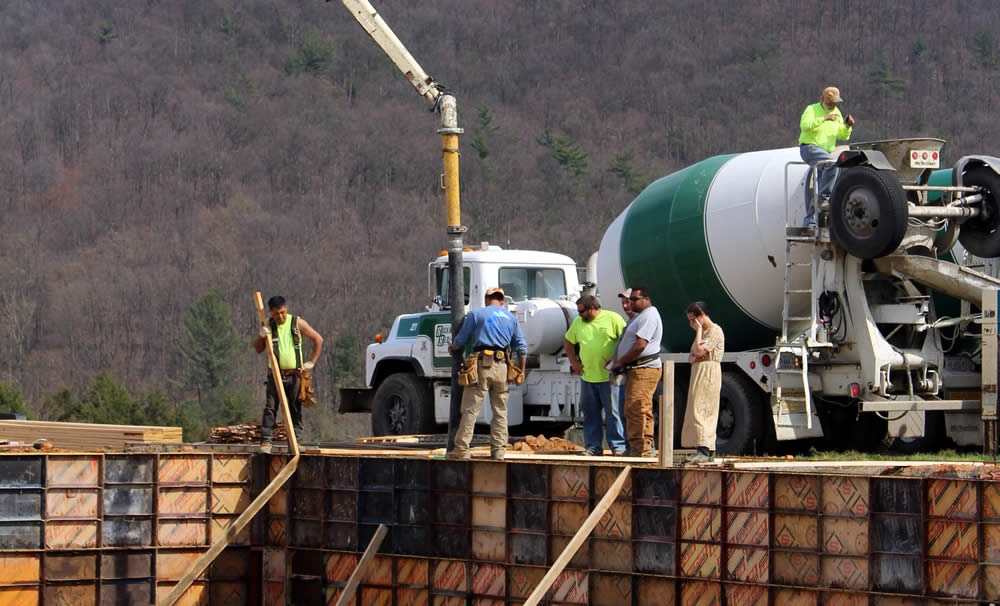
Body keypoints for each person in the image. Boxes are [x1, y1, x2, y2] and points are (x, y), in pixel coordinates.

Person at [447, 286, 527, 460]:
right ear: (502, 301)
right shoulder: (511, 318)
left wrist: (453, 347)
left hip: (482, 366)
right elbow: (522, 347)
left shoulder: (477, 315)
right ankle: (498, 451)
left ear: (486, 300)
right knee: (500, 411)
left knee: (470, 409)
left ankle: (462, 449)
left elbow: (461, 340)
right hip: (503, 367)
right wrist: (521, 370)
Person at [254, 296, 324, 453]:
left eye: (283, 312)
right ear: (271, 313)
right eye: (276, 314)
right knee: (270, 408)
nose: (280, 317)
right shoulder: (268, 325)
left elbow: (318, 339)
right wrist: (262, 335)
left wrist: (311, 362)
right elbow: (258, 348)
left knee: (295, 408)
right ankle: (266, 442)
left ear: (286, 308)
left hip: (295, 375)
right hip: (275, 374)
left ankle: (296, 443)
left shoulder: (296, 323)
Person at [563, 295, 627, 456]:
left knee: (614, 413)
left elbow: (626, 340)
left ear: (592, 308)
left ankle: (618, 446)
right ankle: (593, 447)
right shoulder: (579, 323)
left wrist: (617, 359)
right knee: (590, 414)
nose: (579, 315)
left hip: (610, 378)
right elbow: (568, 342)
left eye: (582, 311)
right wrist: (574, 363)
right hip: (588, 378)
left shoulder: (613, 318)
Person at [610, 285, 663, 457]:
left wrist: (620, 361)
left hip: (644, 368)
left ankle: (644, 449)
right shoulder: (641, 317)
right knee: (633, 408)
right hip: (637, 368)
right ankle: (637, 447)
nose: (630, 302)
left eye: (633, 299)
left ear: (646, 299)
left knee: (640, 407)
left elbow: (641, 344)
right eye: (629, 299)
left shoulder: (649, 316)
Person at [799, 86, 854, 227]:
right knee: (832, 163)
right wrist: (824, 118)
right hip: (810, 148)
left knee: (819, 188)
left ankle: (810, 222)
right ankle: (824, 199)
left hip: (824, 153)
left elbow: (842, 135)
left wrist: (847, 126)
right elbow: (805, 126)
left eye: (835, 102)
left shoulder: (837, 113)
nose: (833, 105)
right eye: (830, 102)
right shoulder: (811, 110)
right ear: (822, 99)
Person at [681, 301, 725, 463]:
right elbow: (692, 356)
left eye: (693, 320)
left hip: (708, 372)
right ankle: (703, 447)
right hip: (699, 371)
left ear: (701, 316)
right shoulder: (703, 333)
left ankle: (704, 449)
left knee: (703, 408)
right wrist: (697, 354)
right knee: (696, 407)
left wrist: (699, 330)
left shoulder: (714, 330)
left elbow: (699, 351)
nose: (691, 324)